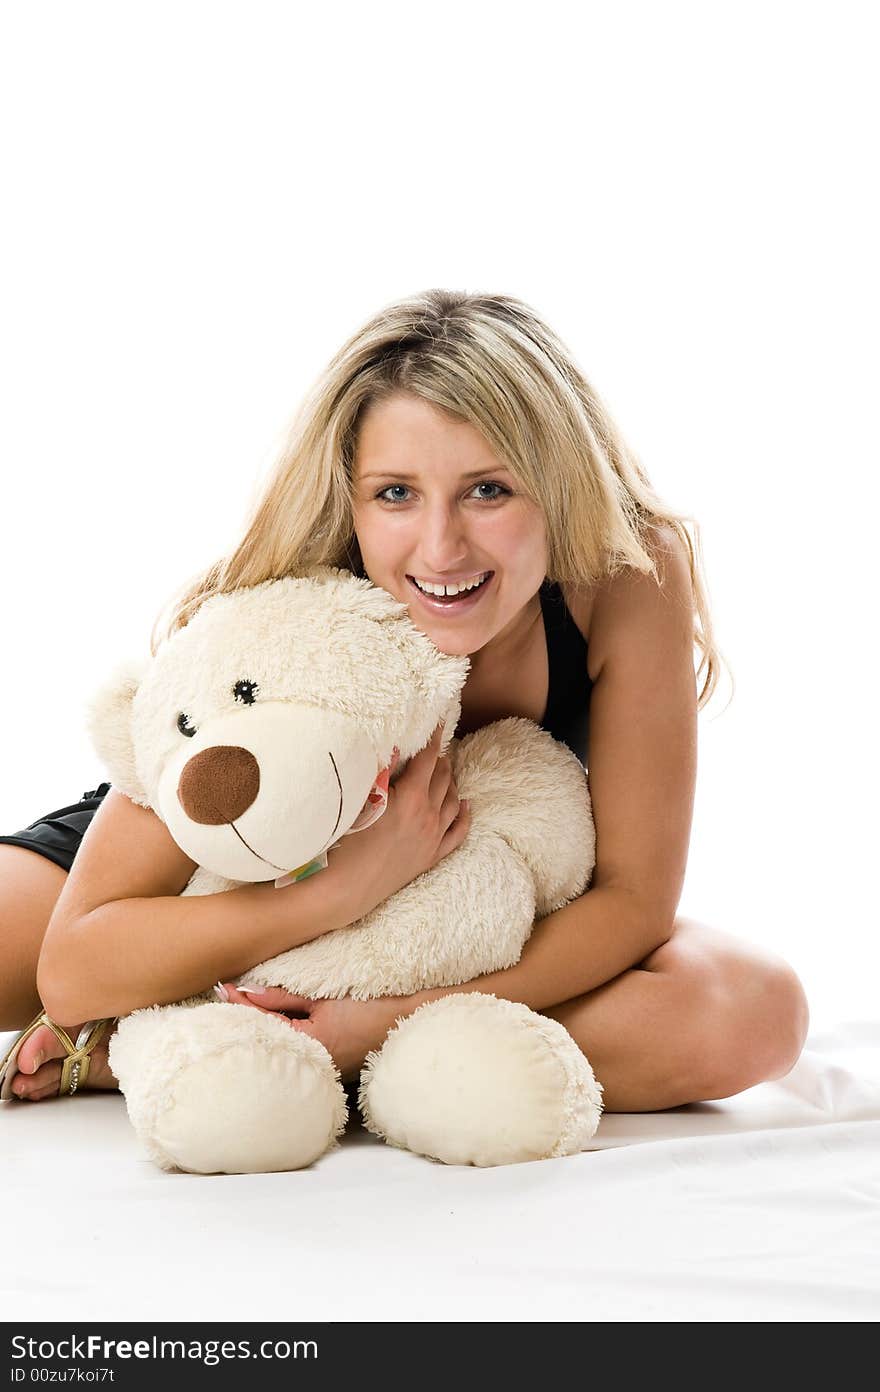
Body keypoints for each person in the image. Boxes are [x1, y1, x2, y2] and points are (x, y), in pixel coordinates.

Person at [0, 289, 809, 1112]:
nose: (441, 546)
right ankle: (240, 1039)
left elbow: (633, 901)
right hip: (217, 882)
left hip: (464, 929)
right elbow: (73, 968)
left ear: (560, 486)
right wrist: (343, 888)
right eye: (395, 493)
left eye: (489, 490)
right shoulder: (298, 601)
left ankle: (248, 1046)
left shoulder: (627, 571)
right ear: (349, 502)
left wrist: (383, 1021)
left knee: (752, 1013)